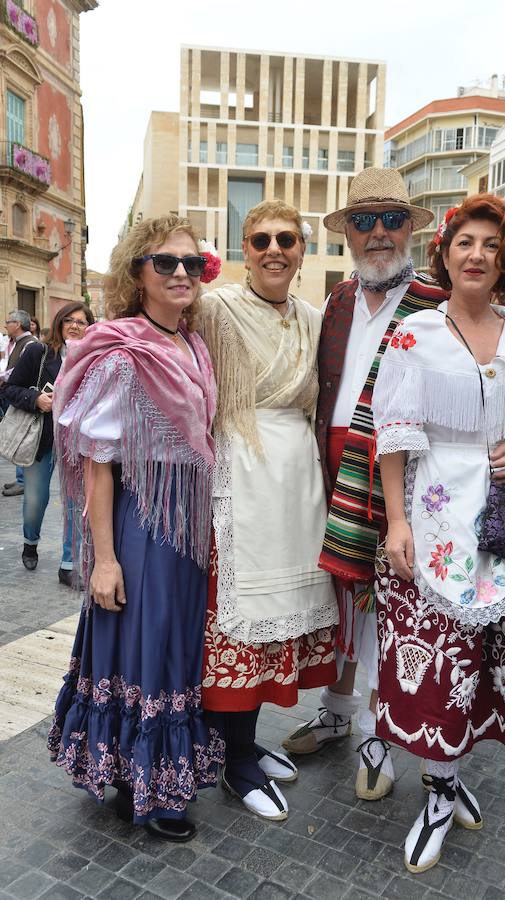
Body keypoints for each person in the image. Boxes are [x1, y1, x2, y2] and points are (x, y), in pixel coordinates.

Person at [282, 170, 505, 802]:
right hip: (334, 469)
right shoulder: (339, 301)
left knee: (387, 608)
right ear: (347, 235)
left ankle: (378, 733)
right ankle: (338, 707)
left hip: (408, 475)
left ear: (411, 231)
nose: (376, 235)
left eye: (389, 221)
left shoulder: (435, 298)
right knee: (342, 596)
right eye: (363, 222)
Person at [371, 194, 505, 873]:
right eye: (464, 243)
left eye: (490, 244)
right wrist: (395, 522)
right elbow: (392, 437)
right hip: (434, 511)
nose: (476, 254)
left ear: (504, 259)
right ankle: (437, 785)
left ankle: (450, 776)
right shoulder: (412, 334)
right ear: (445, 254)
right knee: (439, 654)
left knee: (494, 651)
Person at [48, 215, 224, 842]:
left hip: (184, 528)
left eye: (192, 263)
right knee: (143, 649)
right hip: (141, 527)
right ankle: (150, 790)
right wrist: (103, 558)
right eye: (165, 263)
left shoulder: (193, 345)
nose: (181, 273)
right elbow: (99, 467)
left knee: (172, 649)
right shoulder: (124, 355)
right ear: (137, 273)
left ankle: (143, 771)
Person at [199, 199, 339, 822]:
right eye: (260, 240)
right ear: (243, 249)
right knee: (237, 621)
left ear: (303, 250)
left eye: (287, 238)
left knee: (278, 620)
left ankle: (243, 742)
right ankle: (233, 760)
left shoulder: (318, 318)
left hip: (296, 481)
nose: (274, 249)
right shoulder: (214, 308)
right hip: (239, 475)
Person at [3, 302, 93, 580]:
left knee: (76, 503)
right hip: (41, 439)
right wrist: (36, 399)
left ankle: (69, 564)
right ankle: (30, 542)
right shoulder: (40, 353)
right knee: (35, 500)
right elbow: (11, 389)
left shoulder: (93, 357)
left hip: (77, 444)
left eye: (82, 321)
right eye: (70, 321)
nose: (76, 326)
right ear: (59, 324)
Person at [1, 309, 36, 497]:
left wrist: (2, 378)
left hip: (22, 397)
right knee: (16, 436)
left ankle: (24, 481)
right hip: (14, 393)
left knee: (22, 438)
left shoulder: (30, 344)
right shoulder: (14, 343)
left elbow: (18, 371)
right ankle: (21, 478)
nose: (6, 324)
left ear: (18, 324)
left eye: (8, 321)